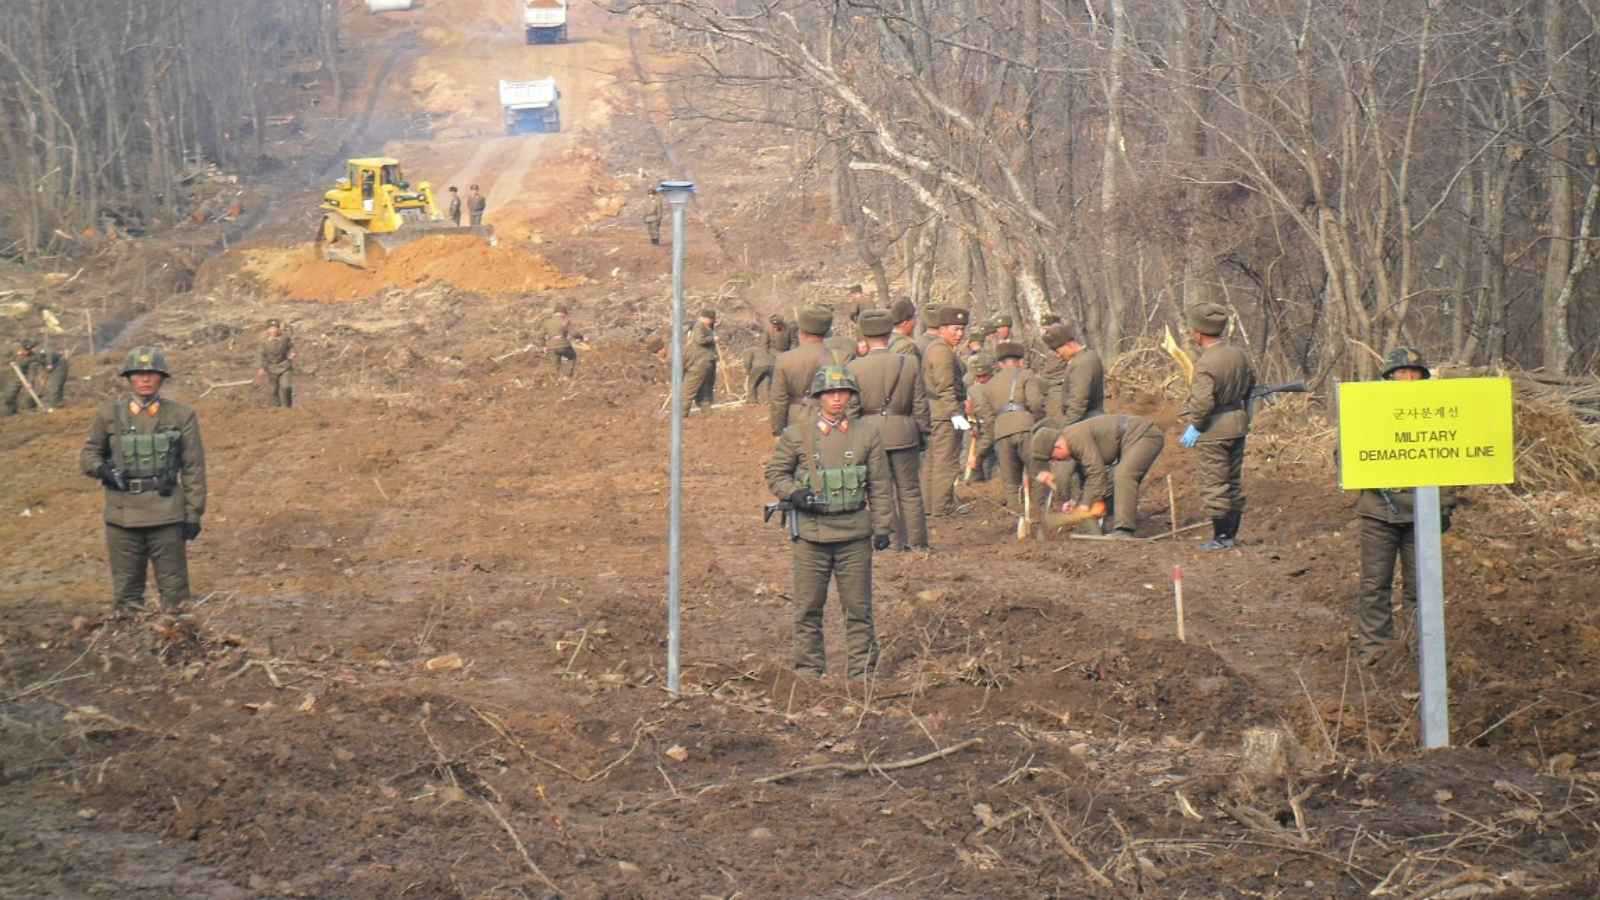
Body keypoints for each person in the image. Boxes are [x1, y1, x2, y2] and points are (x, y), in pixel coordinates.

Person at [764, 365, 893, 677]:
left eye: (843, 392)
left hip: (854, 535)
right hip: (812, 535)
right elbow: (775, 473)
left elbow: (879, 484)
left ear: (851, 396)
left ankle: (862, 672)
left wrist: (883, 527)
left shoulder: (867, 433)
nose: (837, 399)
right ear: (819, 397)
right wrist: (793, 493)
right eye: (830, 393)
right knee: (808, 606)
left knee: (859, 608)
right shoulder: (797, 434)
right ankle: (808, 669)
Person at [79, 347, 207, 616]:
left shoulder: (181, 416)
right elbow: (89, 454)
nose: (145, 379)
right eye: (138, 374)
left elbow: (193, 467)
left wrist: (193, 513)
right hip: (122, 516)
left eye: (152, 374)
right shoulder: (109, 414)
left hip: (167, 515)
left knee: (175, 595)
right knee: (126, 593)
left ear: (161, 378)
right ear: (129, 378)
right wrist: (103, 470)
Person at [1353, 348, 1457, 663]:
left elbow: (1453, 463)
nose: (1408, 379)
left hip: (1421, 515)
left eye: (1415, 373)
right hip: (1378, 512)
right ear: (1388, 378)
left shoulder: (1438, 414)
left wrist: (1444, 507)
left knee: (1421, 587)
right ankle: (1375, 650)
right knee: (1375, 585)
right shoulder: (1366, 412)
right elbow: (1345, 459)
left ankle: (1421, 652)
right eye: (1401, 374)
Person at [848, 309, 930, 551]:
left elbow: (852, 409)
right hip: (905, 432)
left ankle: (892, 542)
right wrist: (922, 432)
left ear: (864, 334)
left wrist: (854, 437)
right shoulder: (910, 363)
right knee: (910, 491)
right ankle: (917, 544)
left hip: (870, 434)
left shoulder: (854, 368)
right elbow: (920, 404)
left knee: (879, 491)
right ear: (889, 332)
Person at [1178, 302, 1256, 550]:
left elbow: (1202, 403)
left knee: (1214, 484)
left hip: (1214, 430)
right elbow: (1252, 384)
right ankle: (1230, 534)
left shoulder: (1206, 363)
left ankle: (1220, 537)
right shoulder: (1239, 355)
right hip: (1238, 423)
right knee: (1232, 481)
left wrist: (1195, 426)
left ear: (1198, 333)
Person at [1034, 414, 1165, 538]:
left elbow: (1096, 472)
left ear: (1058, 447)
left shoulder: (1075, 438)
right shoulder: (1073, 444)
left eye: (1054, 458)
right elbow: (1089, 479)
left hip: (1145, 436)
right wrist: (1075, 501)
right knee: (1110, 481)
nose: (1056, 461)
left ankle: (1124, 530)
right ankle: (1113, 524)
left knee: (1123, 474)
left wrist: (1085, 505)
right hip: (1130, 442)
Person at [970, 342, 1044, 511]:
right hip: (1026, 428)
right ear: (1020, 360)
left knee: (1010, 482)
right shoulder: (1026, 374)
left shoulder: (989, 384)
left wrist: (994, 433)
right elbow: (1036, 403)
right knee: (1037, 474)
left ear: (1000, 363)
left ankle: (1015, 517)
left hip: (1001, 432)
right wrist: (1037, 422)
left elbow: (987, 416)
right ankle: (1038, 514)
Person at [920, 306, 970, 516]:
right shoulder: (941, 352)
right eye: (955, 329)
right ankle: (942, 507)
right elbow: (946, 388)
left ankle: (930, 506)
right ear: (942, 329)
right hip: (945, 414)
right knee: (946, 462)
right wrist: (956, 415)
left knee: (934, 460)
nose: (959, 334)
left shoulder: (937, 348)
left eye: (962, 330)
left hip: (938, 412)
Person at [770, 306, 833, 435]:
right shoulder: (837, 357)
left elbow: (778, 400)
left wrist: (778, 430)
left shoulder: (784, 359)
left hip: (795, 418)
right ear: (827, 332)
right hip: (828, 420)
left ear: (801, 332)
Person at [1040, 324, 1105, 424]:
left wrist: (1066, 428)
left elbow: (1078, 402)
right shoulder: (1089, 355)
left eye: (1058, 351)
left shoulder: (1082, 363)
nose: (1058, 355)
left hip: (1085, 422)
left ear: (1069, 344)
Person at [681, 308, 719, 415]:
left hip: (705, 362)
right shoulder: (699, 326)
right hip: (699, 362)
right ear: (706, 318)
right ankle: (682, 413)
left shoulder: (705, 327)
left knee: (704, 387)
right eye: (711, 320)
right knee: (691, 388)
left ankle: (705, 411)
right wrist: (712, 338)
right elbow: (700, 340)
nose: (712, 322)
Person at [256, 319, 295, 408]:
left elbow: (291, 347)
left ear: (279, 329)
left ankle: (288, 407)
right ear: (267, 330)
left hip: (284, 366)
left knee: (286, 387)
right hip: (271, 368)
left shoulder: (285, 338)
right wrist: (261, 367)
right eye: (271, 328)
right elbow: (261, 355)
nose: (273, 330)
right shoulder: (264, 342)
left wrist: (292, 353)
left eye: (275, 328)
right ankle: (276, 408)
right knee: (273, 390)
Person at [3, 338, 48, 414]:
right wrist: (11, 359)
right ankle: (11, 410)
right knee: (9, 395)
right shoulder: (14, 347)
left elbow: (32, 371)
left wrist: (30, 382)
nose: (26, 352)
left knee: (33, 392)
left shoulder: (33, 358)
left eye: (28, 351)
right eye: (24, 350)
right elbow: (4, 354)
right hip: (11, 373)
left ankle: (32, 408)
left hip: (23, 375)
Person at [542, 306, 581, 378]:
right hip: (564, 345)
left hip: (551, 347)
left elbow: (540, 335)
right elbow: (574, 333)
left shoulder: (547, 322)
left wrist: (543, 346)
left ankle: (556, 380)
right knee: (572, 357)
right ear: (564, 313)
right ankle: (567, 376)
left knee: (555, 365)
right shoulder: (565, 321)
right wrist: (580, 337)